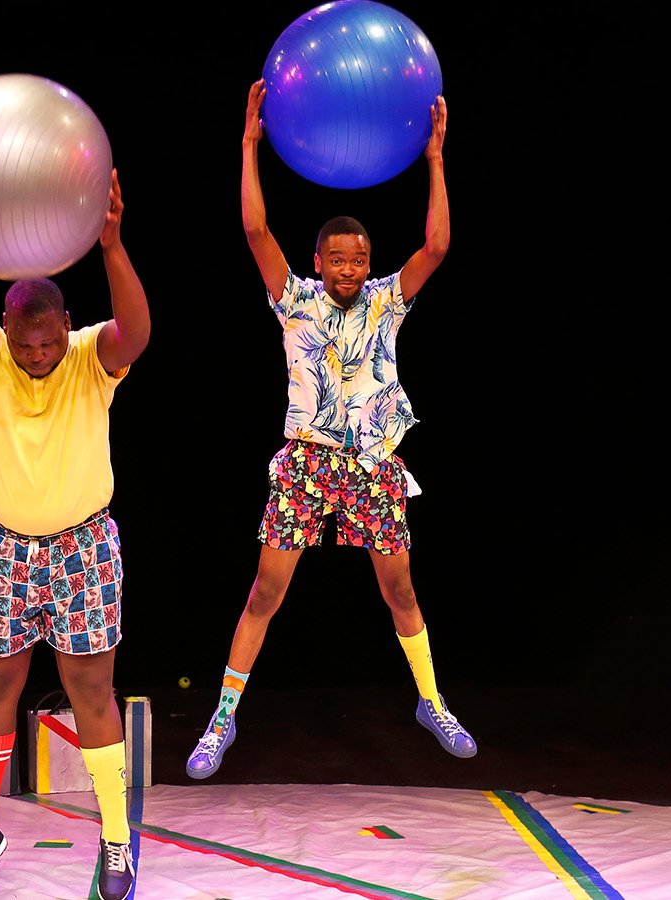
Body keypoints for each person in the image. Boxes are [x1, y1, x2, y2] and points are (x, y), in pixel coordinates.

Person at [185, 79, 467, 780]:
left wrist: (435, 159)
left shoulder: (385, 303)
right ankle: (223, 716)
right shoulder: (295, 301)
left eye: (359, 259)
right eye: (337, 259)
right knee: (265, 592)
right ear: (319, 262)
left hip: (373, 464)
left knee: (401, 591)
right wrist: (250, 145)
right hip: (307, 465)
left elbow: (436, 244)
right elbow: (254, 231)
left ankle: (430, 701)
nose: (348, 269)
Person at [0, 170, 150, 900]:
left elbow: (136, 331)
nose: (38, 355)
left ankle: (114, 840)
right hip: (0, 547)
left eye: (48, 343)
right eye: (27, 344)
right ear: (5, 327)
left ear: (63, 327)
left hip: (83, 546)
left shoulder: (87, 356)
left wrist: (111, 244)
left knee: (93, 692)